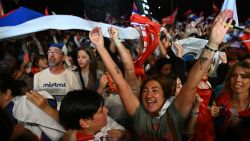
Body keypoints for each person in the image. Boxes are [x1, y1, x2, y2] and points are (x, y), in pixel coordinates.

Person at [89, 10, 232, 140]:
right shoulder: (137, 114)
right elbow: (120, 80)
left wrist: (212, 44)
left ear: (166, 96)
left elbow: (191, 83)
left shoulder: (175, 115)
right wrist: (100, 47)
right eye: (145, 90)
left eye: (155, 90)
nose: (148, 95)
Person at [59, 89, 130, 141]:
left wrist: (124, 135)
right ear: (84, 123)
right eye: (100, 111)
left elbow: (130, 135)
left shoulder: (105, 120)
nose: (107, 110)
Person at [33, 43, 81, 109]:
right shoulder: (37, 76)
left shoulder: (72, 76)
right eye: (49, 52)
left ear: (63, 57)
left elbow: (78, 100)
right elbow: (36, 101)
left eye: (56, 52)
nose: (51, 55)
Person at [211, 61, 250, 140]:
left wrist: (239, 127)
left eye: (243, 76)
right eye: (234, 75)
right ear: (229, 78)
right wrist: (209, 114)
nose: (237, 80)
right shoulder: (221, 99)